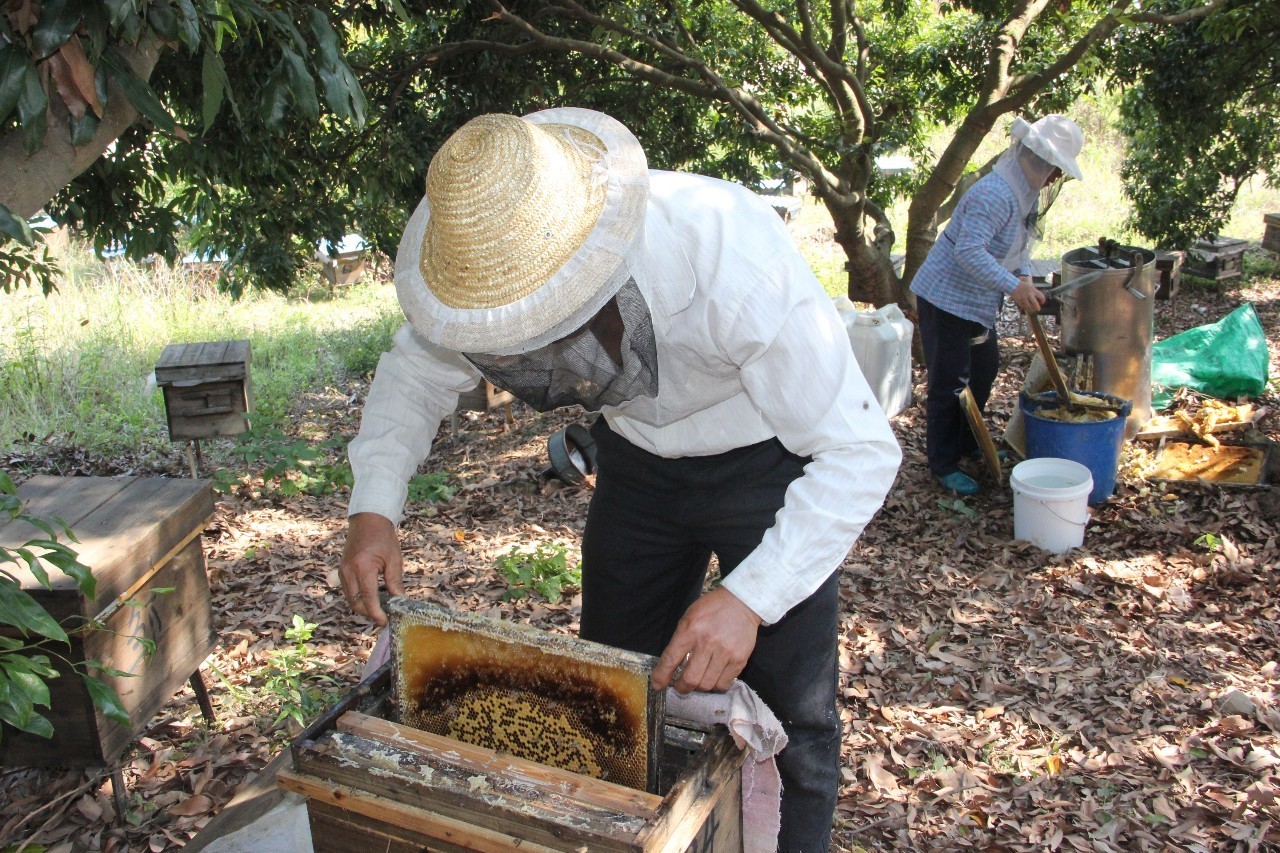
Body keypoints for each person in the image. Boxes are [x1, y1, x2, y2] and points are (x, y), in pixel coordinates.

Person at [338, 107, 901, 851]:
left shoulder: (727, 248)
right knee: (610, 695)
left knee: (793, 718)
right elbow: (416, 371)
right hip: (635, 468)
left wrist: (749, 597)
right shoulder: (483, 269)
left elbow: (861, 449)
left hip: (769, 461)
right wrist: (373, 507)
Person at [910, 114, 1084, 496]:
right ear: (1039, 161)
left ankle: (969, 442)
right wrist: (1012, 286)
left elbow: (1019, 246)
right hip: (945, 298)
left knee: (984, 370)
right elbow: (969, 252)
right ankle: (942, 462)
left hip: (976, 300)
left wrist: (1022, 279)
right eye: (1053, 168)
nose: (1053, 177)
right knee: (951, 384)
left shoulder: (1025, 192)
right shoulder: (994, 193)